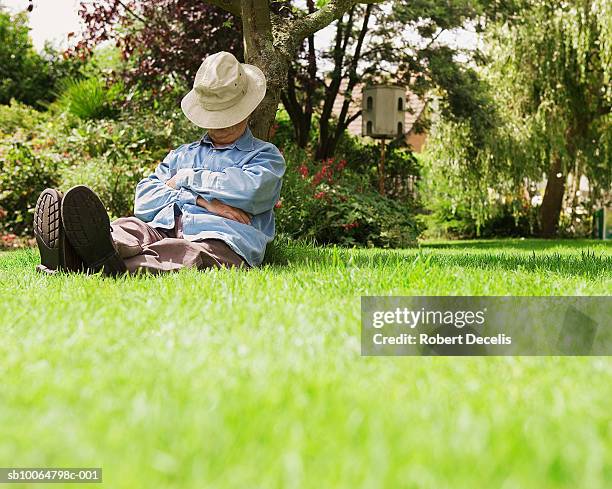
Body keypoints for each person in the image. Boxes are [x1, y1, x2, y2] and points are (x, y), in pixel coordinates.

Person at [33, 51, 286, 275]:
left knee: (187, 254)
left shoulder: (264, 156)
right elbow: (144, 199)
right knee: (128, 227)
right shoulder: (182, 154)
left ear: (247, 109)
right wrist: (202, 201)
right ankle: (89, 249)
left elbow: (250, 191)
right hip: (162, 228)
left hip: (220, 239)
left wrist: (184, 179)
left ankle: (92, 262)